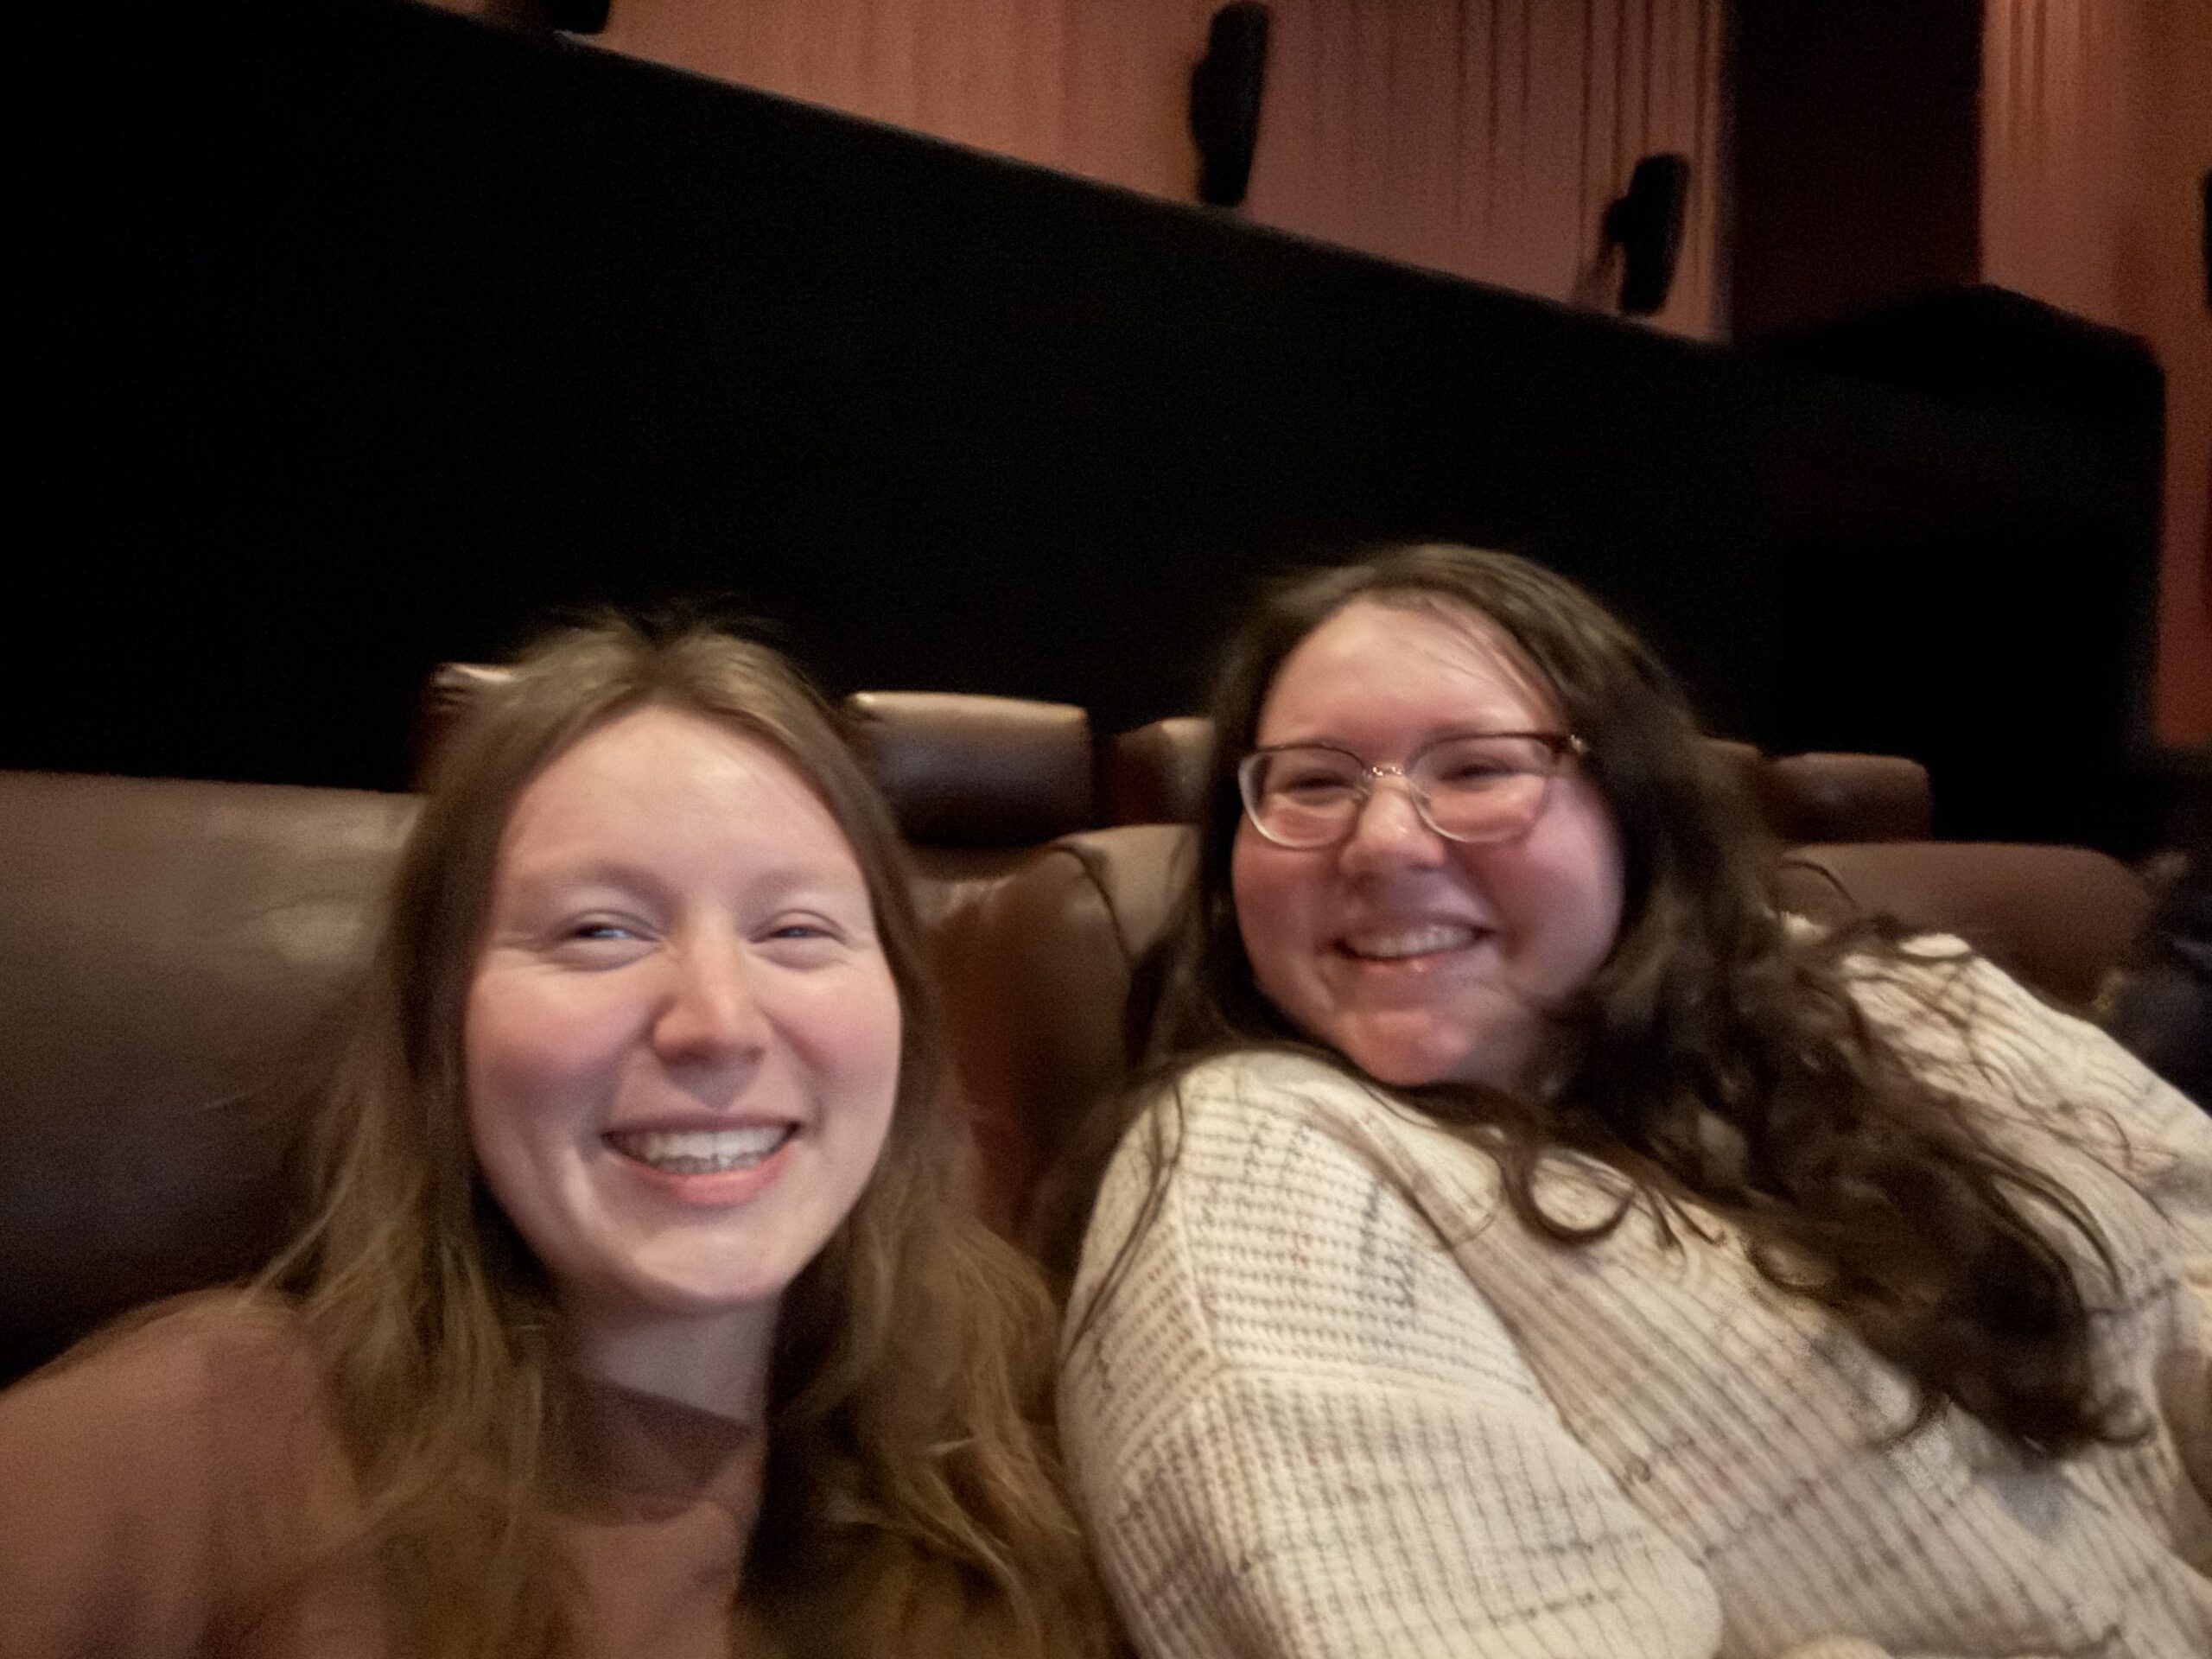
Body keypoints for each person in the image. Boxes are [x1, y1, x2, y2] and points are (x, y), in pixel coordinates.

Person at [1058, 544, 2212, 1658]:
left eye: (1478, 769)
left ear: (1635, 808)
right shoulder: (1264, 1166)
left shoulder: (1897, 997)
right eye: (1312, 784)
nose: (1386, 842)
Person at [0, 622, 1109, 1659]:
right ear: (440, 1027)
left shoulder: (1033, 1452)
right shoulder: (193, 1445)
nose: (718, 1021)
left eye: (795, 930)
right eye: (599, 930)